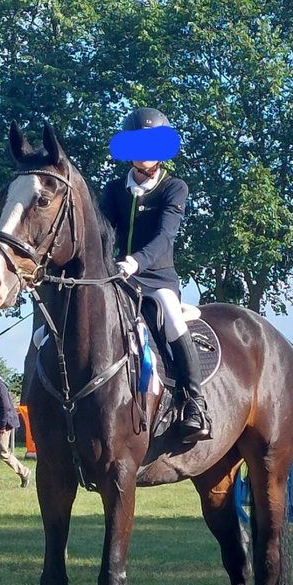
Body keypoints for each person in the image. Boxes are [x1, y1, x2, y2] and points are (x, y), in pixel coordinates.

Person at [99, 107, 211, 442]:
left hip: (158, 277)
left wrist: (136, 261)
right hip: (119, 276)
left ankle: (195, 403)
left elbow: (165, 236)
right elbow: (105, 233)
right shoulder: (115, 189)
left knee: (173, 321)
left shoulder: (174, 188)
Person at [0, 367, 30, 487]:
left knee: (3, 452)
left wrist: (2, 426)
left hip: (2, 424)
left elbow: (5, 408)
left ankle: (24, 472)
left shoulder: (0, 387)